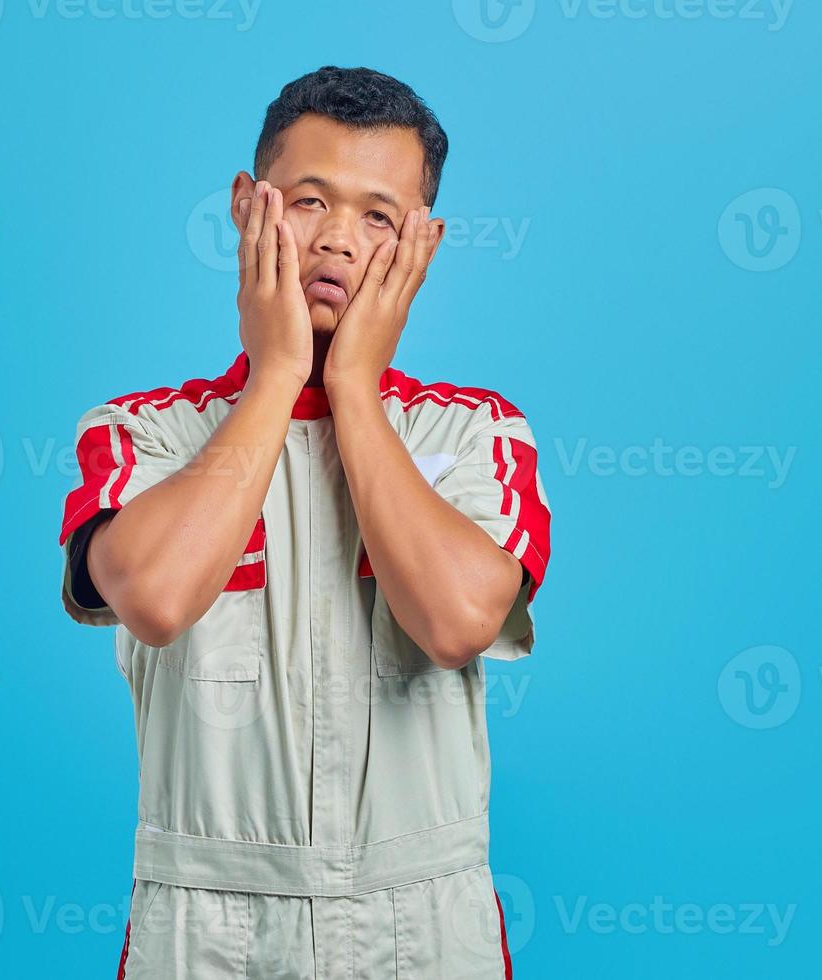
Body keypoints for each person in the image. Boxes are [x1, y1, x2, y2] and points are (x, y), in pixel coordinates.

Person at [59, 65, 551, 979]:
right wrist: (278, 372)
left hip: (422, 924)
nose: (336, 240)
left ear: (423, 242)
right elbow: (159, 599)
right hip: (205, 924)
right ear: (249, 207)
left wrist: (353, 386)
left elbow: (454, 623)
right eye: (309, 201)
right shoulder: (144, 434)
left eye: (377, 217)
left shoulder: (474, 432)